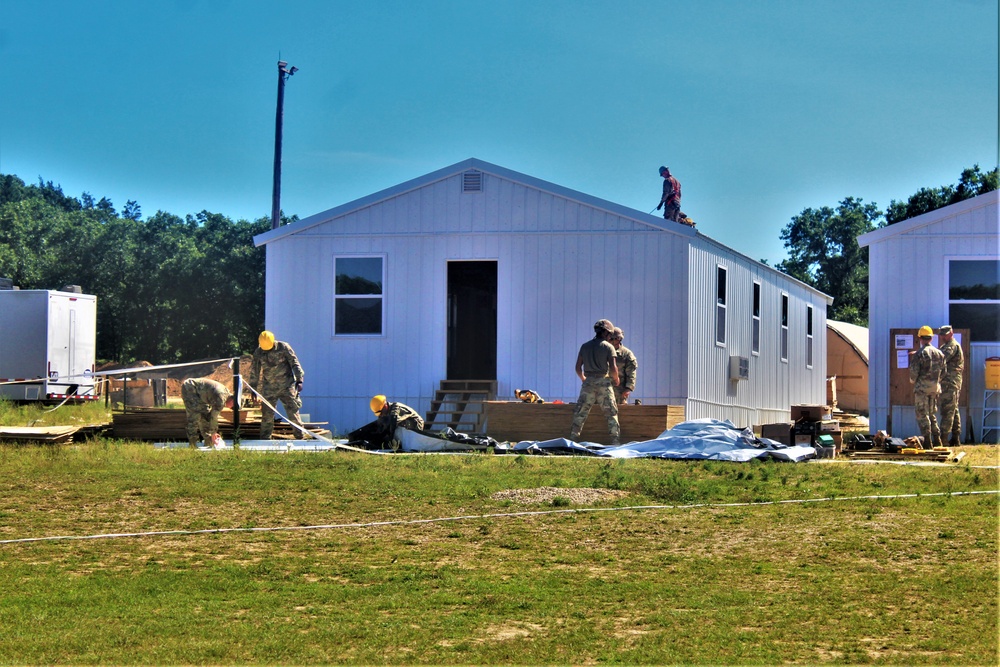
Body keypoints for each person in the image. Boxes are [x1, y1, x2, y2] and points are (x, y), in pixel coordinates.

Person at [569, 319, 621, 445]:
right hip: (604, 382)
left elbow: (577, 368)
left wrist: (584, 379)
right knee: (611, 413)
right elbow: (613, 369)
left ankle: (573, 439)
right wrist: (616, 379)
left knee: (581, 412)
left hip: (588, 383)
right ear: (607, 333)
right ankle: (615, 441)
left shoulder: (585, 346)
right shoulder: (609, 347)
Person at [248, 330, 306, 440]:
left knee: (293, 412)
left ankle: (300, 437)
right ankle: (265, 440)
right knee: (267, 415)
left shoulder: (283, 347)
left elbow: (294, 363)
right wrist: (253, 388)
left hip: (286, 386)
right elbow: (254, 371)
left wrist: (299, 379)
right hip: (269, 387)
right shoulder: (259, 352)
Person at [908, 325, 945, 449]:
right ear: (931, 338)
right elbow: (944, 372)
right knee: (931, 414)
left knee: (922, 415)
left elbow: (913, 374)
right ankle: (937, 440)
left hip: (922, 389)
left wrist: (913, 381)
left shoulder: (919, 354)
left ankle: (928, 442)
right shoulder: (939, 353)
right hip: (935, 389)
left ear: (920, 338)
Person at [181, 377, 234, 448]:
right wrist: (213, 433)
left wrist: (213, 432)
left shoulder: (225, 394)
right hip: (190, 388)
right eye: (232, 407)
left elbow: (210, 417)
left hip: (199, 395)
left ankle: (209, 442)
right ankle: (192, 444)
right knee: (194, 415)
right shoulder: (221, 399)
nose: (230, 408)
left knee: (205, 416)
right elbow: (213, 416)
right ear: (232, 401)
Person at [937, 325, 964, 446]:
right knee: (953, 409)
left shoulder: (951, 346)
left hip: (950, 383)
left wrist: (923, 353)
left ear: (951, 333)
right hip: (950, 382)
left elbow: (940, 358)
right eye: (941, 334)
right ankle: (955, 438)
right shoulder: (946, 346)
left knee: (947, 410)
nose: (943, 336)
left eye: (945, 334)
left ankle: (943, 439)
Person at [610, 327, 637, 405]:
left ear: (619, 339)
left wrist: (628, 388)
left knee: (619, 414)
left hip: (619, 391)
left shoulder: (627, 354)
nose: (611, 341)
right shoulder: (603, 351)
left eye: (614, 339)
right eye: (610, 338)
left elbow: (631, 373)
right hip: (603, 391)